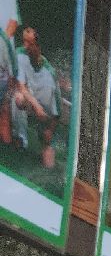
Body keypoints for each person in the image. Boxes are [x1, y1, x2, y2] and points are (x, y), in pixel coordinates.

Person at [11, 28, 62, 168]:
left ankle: (47, 153)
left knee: (48, 162)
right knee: (18, 98)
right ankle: (20, 138)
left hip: (45, 112)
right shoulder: (20, 54)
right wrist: (36, 106)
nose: (25, 46)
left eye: (30, 43)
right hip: (30, 101)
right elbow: (21, 86)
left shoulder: (49, 75)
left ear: (38, 47)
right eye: (24, 41)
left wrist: (49, 130)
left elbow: (57, 111)